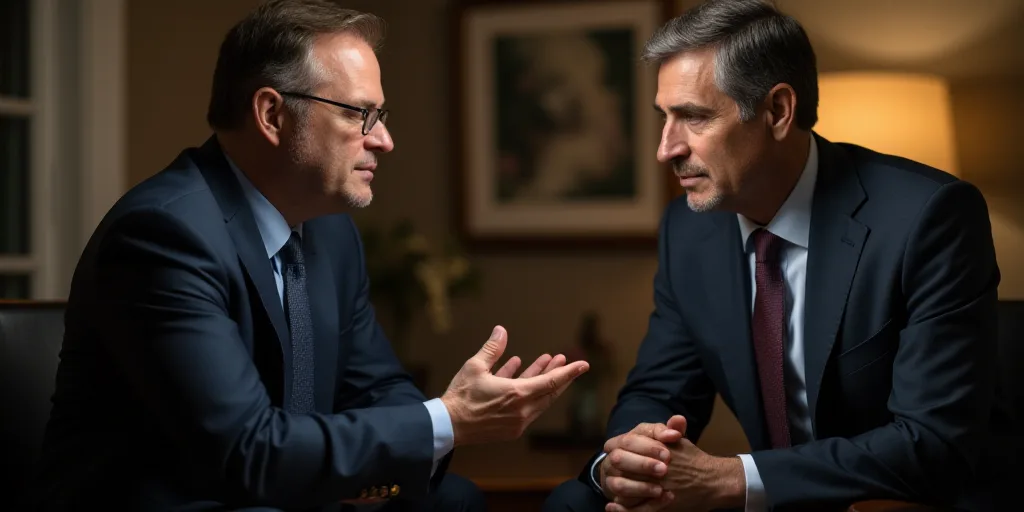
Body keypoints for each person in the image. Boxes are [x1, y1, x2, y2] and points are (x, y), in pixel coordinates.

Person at [26, 1, 589, 511]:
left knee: (452, 501)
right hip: (183, 501)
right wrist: (449, 419)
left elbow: (377, 389)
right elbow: (247, 450)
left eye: (382, 116)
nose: (384, 140)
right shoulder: (164, 235)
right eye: (358, 114)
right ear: (272, 115)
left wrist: (385, 468)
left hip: (272, 489)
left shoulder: (332, 234)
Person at [543, 0, 1010, 511]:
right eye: (665, 118)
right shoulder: (688, 230)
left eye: (694, 117)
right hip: (774, 501)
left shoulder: (928, 218)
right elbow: (660, 390)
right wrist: (627, 463)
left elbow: (930, 443)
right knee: (576, 502)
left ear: (778, 111)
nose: (666, 149)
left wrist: (731, 480)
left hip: (895, 503)